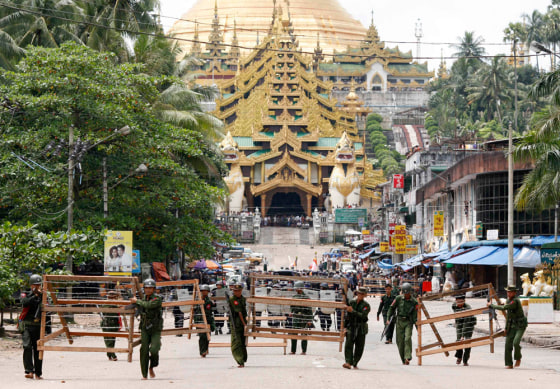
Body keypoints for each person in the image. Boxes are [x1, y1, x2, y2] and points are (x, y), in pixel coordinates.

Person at [488, 285, 528, 369]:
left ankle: (518, 357)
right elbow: (509, 316)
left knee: (516, 342)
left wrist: (492, 305)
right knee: (508, 344)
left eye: (510, 292)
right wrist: (506, 328)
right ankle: (509, 364)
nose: (508, 293)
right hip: (512, 325)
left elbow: (504, 307)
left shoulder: (515, 301)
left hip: (520, 325)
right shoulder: (508, 300)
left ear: (514, 293)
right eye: (507, 292)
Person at [130, 278, 163, 380]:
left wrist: (137, 301)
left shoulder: (157, 299)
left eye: (150, 288)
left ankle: (152, 366)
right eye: (146, 288)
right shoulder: (142, 299)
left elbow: (149, 305)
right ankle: (144, 374)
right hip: (145, 327)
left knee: (154, 349)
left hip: (155, 328)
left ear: (154, 289)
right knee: (144, 350)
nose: (148, 290)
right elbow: (139, 305)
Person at [386, 282, 417, 365]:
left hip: (408, 322)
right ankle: (403, 359)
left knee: (407, 338)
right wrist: (388, 318)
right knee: (400, 341)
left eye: (408, 293)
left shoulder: (414, 301)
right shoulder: (398, 298)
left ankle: (408, 356)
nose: (406, 295)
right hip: (399, 321)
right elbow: (391, 308)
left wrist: (417, 326)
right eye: (405, 293)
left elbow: (415, 315)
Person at [21, 274, 43, 379]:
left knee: (38, 349)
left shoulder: (44, 296)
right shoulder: (26, 294)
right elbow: (24, 303)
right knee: (27, 346)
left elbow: (48, 308)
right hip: (26, 325)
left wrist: (41, 296)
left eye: (39, 285)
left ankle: (38, 373)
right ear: (31, 285)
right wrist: (34, 295)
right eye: (35, 285)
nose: (37, 287)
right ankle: (29, 371)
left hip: (38, 326)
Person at [343, 286, 370, 369]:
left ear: (365, 295)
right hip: (351, 325)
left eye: (362, 294)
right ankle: (348, 362)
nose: (360, 295)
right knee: (348, 344)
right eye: (359, 293)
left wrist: (352, 311)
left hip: (361, 327)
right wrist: (344, 327)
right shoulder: (352, 302)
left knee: (359, 346)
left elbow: (363, 316)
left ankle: (355, 362)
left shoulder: (366, 305)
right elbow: (347, 316)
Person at [452, 295, 476, 366]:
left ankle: (465, 360)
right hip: (459, 324)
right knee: (458, 341)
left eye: (461, 302)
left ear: (464, 301)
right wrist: (461, 336)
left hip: (469, 324)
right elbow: (453, 306)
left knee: (467, 341)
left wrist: (463, 335)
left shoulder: (468, 308)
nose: (459, 304)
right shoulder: (454, 306)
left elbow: (466, 323)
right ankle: (459, 356)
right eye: (458, 302)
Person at [289, 281, 313, 355]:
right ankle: (293, 350)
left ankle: (304, 351)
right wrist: (291, 312)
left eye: (297, 288)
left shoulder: (307, 298)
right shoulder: (294, 297)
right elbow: (291, 307)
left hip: (304, 317)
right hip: (296, 317)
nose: (296, 290)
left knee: (304, 334)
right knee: (293, 334)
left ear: (300, 288)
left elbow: (309, 310)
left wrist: (310, 320)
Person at [228, 283, 247, 367]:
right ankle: (240, 360)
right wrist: (244, 323)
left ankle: (243, 358)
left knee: (242, 341)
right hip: (236, 323)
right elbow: (239, 312)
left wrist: (246, 323)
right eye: (235, 291)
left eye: (238, 291)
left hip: (242, 323)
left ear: (241, 291)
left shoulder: (243, 299)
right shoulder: (233, 299)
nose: (237, 292)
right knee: (236, 343)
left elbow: (244, 312)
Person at [195, 284, 216, 357]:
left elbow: (210, 312)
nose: (204, 292)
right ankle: (202, 351)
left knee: (208, 336)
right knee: (202, 336)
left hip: (207, 320)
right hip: (199, 320)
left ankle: (205, 349)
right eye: (203, 291)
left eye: (206, 291)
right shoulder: (197, 301)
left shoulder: (209, 301)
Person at [101, 290, 121, 361]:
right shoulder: (107, 304)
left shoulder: (114, 304)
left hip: (114, 324)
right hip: (107, 324)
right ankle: (113, 355)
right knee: (109, 340)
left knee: (111, 340)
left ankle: (109, 355)